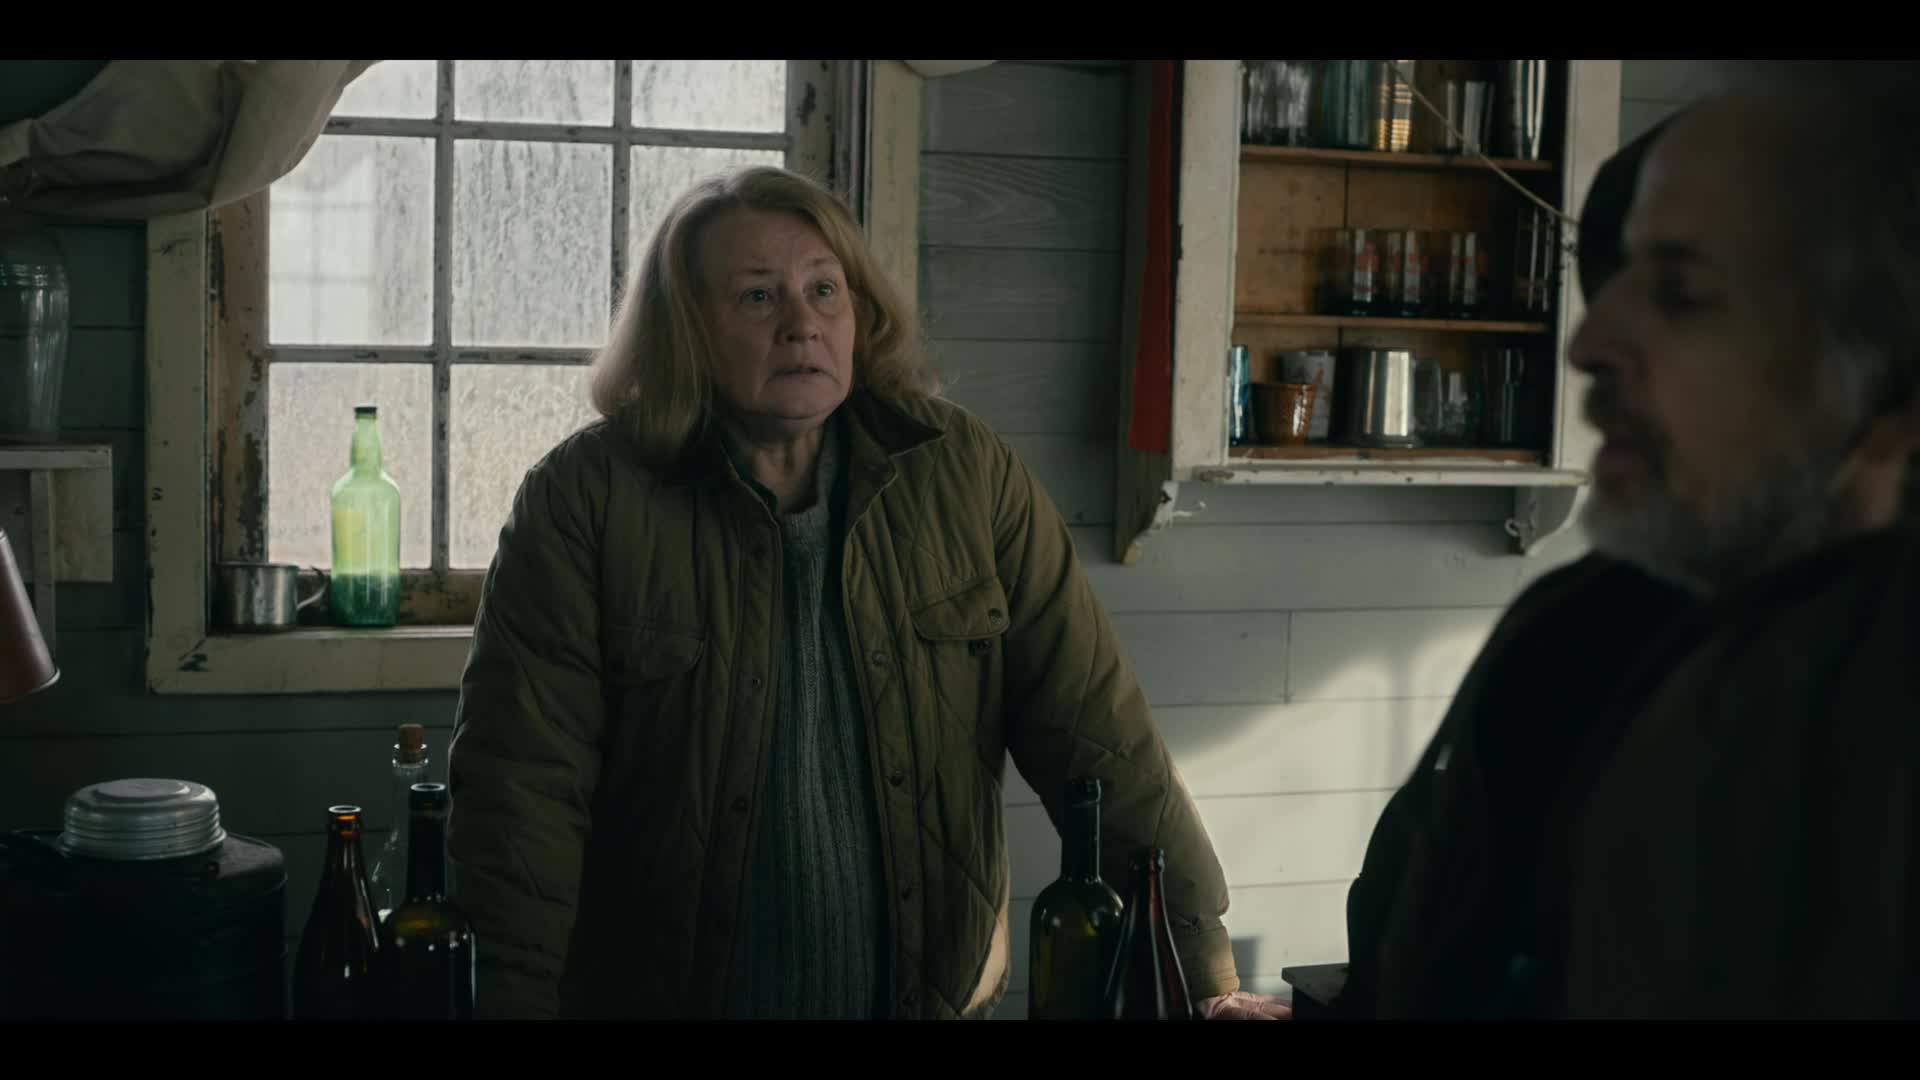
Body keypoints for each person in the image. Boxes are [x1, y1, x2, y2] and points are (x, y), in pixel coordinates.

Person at [444, 163, 1287, 1020]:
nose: (802, 324)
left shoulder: (966, 474)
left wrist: (1203, 975)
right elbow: (520, 800)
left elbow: (1099, 733)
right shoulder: (586, 499)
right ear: (685, 331)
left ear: (861, 313)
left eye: (824, 290)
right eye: (758, 297)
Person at [1340, 62, 1920, 1019]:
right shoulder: (1576, 632)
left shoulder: (1862, 709)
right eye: (1612, 282)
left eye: (1682, 293)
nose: (1586, 343)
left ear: (1893, 384)